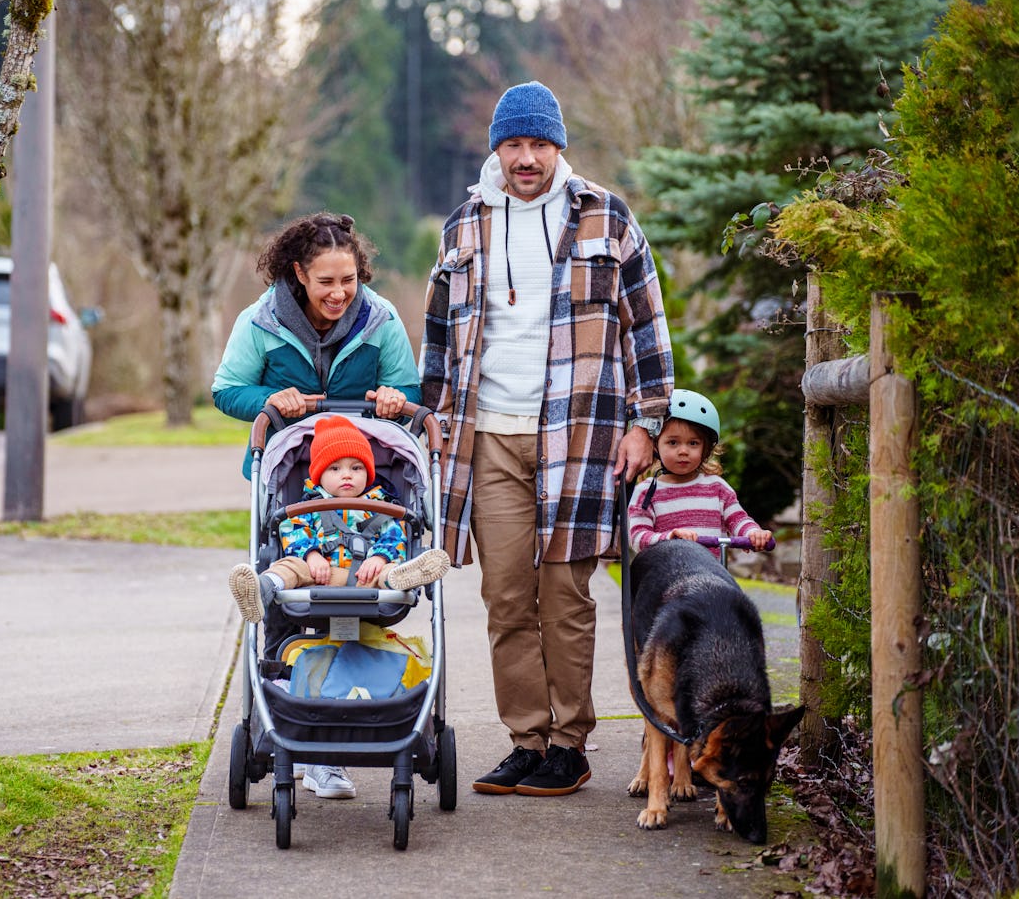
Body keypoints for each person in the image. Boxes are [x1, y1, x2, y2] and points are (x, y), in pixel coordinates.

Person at [420, 81, 674, 797]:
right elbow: (436, 337)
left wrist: (645, 422)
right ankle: (526, 741)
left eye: (538, 144)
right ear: (496, 147)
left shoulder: (607, 218)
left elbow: (648, 328)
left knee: (565, 595)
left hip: (580, 438)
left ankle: (571, 744)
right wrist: (433, 415)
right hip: (489, 438)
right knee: (506, 597)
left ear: (558, 146)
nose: (525, 158)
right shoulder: (464, 226)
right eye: (513, 144)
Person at [213, 212, 422, 799]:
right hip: (290, 480)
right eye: (325, 281)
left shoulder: (379, 319)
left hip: (365, 477)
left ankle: (347, 716)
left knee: (354, 594)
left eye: (349, 280)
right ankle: (293, 725)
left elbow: (409, 390)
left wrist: (391, 398)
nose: (339, 293)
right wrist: (269, 397)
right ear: (299, 273)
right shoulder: (260, 321)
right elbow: (226, 388)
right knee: (285, 598)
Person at [228, 414, 450, 619]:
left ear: (368, 473)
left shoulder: (381, 505)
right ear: (319, 476)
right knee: (289, 566)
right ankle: (262, 588)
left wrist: (379, 557)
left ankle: (403, 578)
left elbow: (394, 535)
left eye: (356, 468)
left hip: (366, 575)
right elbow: (293, 529)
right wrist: (311, 555)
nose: (347, 475)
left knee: (388, 570)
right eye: (334, 469)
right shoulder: (308, 505)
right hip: (319, 574)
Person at [627, 389, 772, 558]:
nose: (683, 451)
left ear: (706, 449)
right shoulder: (646, 492)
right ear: (655, 445)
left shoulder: (717, 487)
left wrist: (753, 533)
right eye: (673, 442)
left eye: (693, 443)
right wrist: (669, 537)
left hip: (710, 576)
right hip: (665, 576)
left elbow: (737, 519)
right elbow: (637, 537)